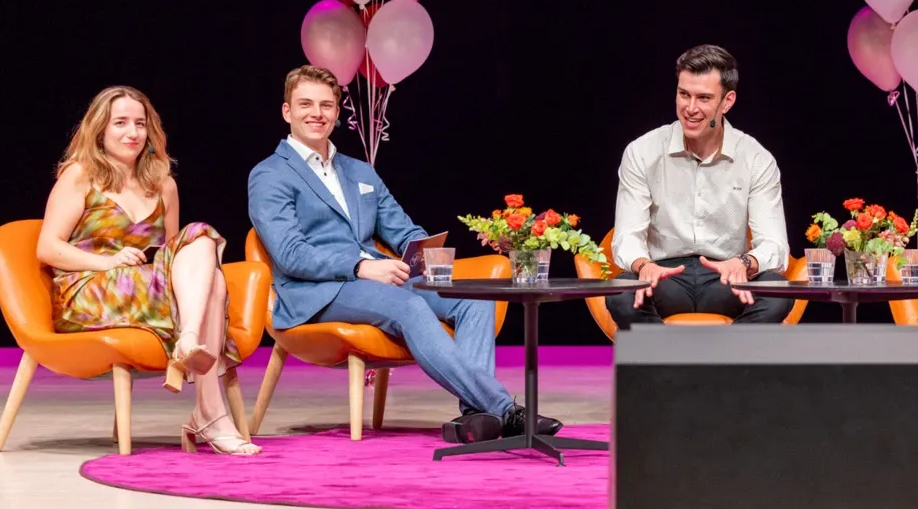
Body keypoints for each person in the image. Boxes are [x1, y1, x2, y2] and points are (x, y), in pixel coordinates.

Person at [248, 65, 559, 443]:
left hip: (376, 278)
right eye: (306, 104)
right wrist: (361, 266)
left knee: (474, 302)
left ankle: (478, 416)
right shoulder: (269, 175)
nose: (317, 113)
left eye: (326, 105)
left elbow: (401, 228)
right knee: (407, 307)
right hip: (316, 291)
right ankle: (505, 410)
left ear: (336, 112)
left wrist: (425, 253)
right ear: (287, 112)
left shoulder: (359, 171)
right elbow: (290, 254)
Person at [38, 86, 259, 456]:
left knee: (201, 247)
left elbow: (177, 255)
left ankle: (191, 348)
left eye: (140, 123)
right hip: (89, 289)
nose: (132, 133)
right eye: (120, 123)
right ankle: (208, 411)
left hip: (144, 289)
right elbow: (48, 248)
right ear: (100, 131)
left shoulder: (163, 184)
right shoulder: (81, 175)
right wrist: (106, 262)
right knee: (211, 276)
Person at [605, 44, 794, 326]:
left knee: (778, 291)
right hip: (664, 276)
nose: (690, 109)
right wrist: (644, 266)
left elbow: (775, 246)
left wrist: (743, 263)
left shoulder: (756, 158)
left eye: (704, 98)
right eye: (684, 95)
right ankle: (670, 363)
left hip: (726, 277)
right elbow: (626, 236)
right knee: (621, 291)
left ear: (727, 101)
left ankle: (722, 364)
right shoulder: (642, 151)